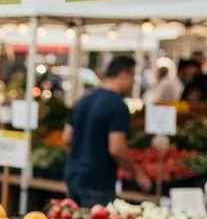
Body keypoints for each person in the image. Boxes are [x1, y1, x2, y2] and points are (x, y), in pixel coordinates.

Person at [63, 56, 151, 207]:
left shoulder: (83, 100)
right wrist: (137, 174)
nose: (133, 82)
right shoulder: (118, 106)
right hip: (98, 181)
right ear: (124, 74)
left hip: (73, 176)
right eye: (133, 76)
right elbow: (116, 148)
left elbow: (66, 138)